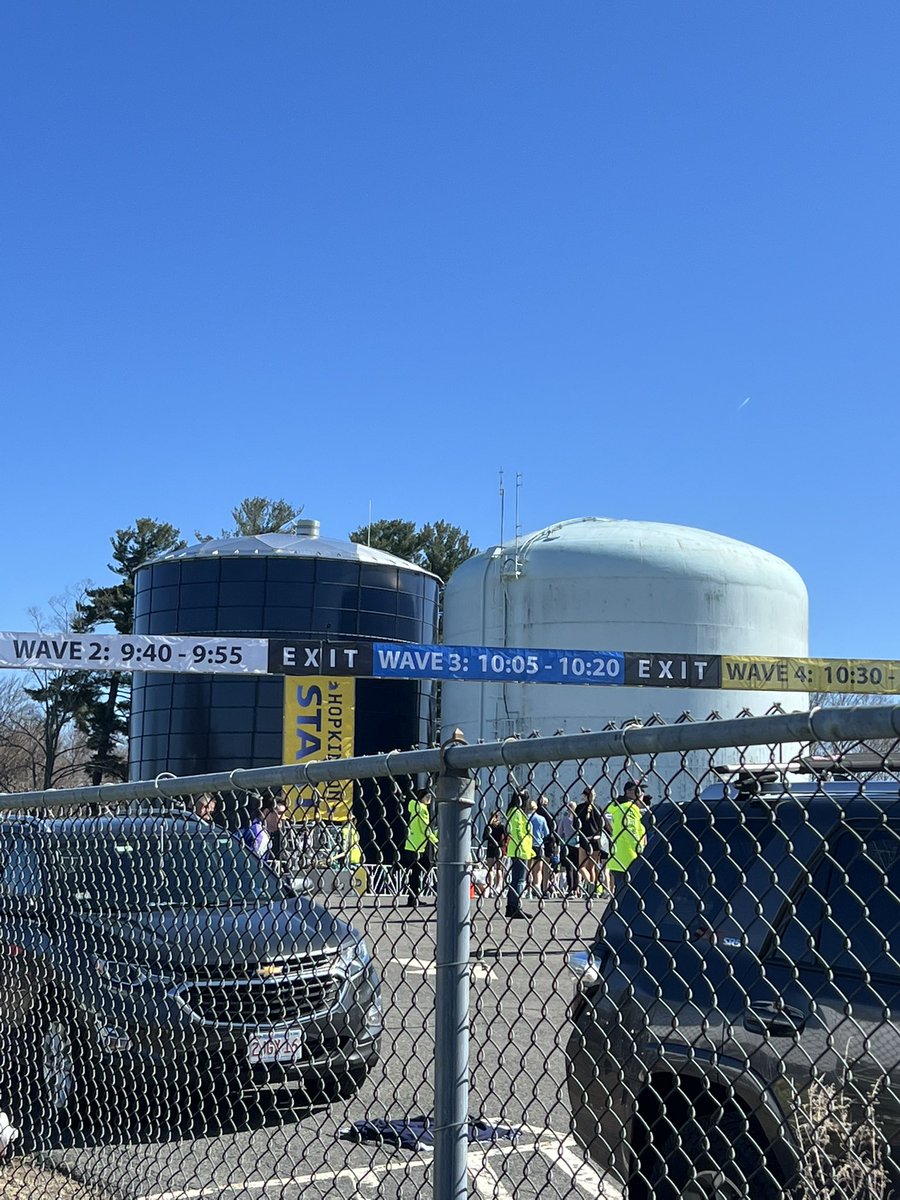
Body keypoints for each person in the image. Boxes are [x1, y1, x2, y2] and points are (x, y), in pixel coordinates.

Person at [608, 780, 649, 894]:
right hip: (629, 858)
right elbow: (631, 833)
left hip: (620, 857)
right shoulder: (628, 808)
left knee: (622, 894)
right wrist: (641, 852)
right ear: (629, 792)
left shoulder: (619, 807)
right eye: (639, 791)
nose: (642, 794)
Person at [402, 787, 437, 907]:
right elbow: (425, 829)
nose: (429, 799)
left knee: (416, 873)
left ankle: (412, 897)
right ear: (421, 797)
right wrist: (435, 840)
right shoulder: (422, 809)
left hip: (412, 844)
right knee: (424, 868)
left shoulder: (413, 806)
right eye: (427, 797)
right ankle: (414, 897)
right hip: (419, 846)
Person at [575, 786, 612, 897]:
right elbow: (605, 825)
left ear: (584, 796)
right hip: (596, 840)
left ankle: (589, 884)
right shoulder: (598, 808)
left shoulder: (579, 808)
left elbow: (575, 825)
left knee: (581, 866)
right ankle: (593, 890)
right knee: (592, 867)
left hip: (584, 839)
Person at [504, 791, 534, 920]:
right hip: (520, 849)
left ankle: (511, 907)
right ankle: (515, 906)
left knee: (515, 879)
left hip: (517, 848)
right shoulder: (518, 812)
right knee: (519, 880)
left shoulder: (512, 811)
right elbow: (518, 831)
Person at [242, 799, 287, 867]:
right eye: (280, 813)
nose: (283, 818)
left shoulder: (254, 827)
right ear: (266, 812)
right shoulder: (261, 835)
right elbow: (254, 866)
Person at [555, 800, 580, 896]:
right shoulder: (578, 819)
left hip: (567, 844)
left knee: (569, 868)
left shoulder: (564, 819)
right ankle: (577, 888)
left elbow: (559, 832)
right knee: (577, 868)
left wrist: (560, 843)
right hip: (577, 844)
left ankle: (571, 887)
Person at [527, 799, 551, 898]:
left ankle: (529, 890)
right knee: (538, 869)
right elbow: (546, 833)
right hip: (539, 844)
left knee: (529, 869)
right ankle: (537, 885)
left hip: (528, 844)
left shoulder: (525, 818)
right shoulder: (541, 819)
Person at [483, 810, 506, 894]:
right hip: (499, 847)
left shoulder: (489, 826)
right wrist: (505, 845)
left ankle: (490, 885)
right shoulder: (501, 826)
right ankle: (499, 886)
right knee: (499, 869)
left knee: (490, 869)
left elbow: (484, 837)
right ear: (498, 816)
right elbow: (506, 836)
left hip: (490, 847)